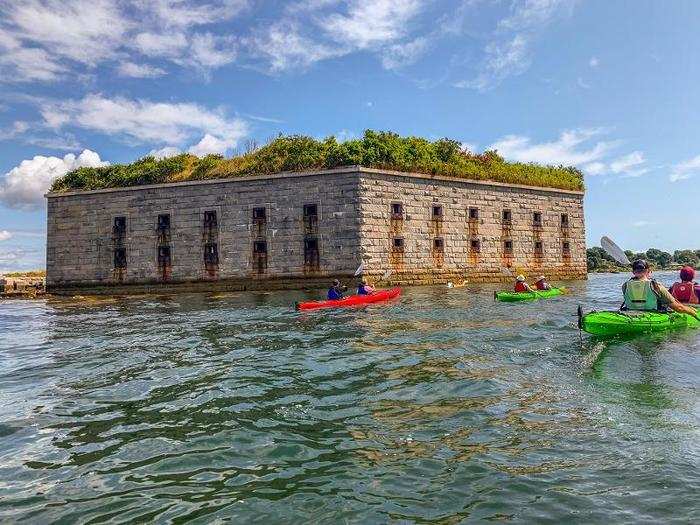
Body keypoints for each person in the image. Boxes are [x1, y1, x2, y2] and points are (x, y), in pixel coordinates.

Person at [622, 259, 698, 318]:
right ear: (648, 271)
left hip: (630, 313)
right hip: (653, 315)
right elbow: (678, 308)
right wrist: (692, 312)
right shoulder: (656, 286)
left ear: (633, 272)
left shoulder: (625, 285)